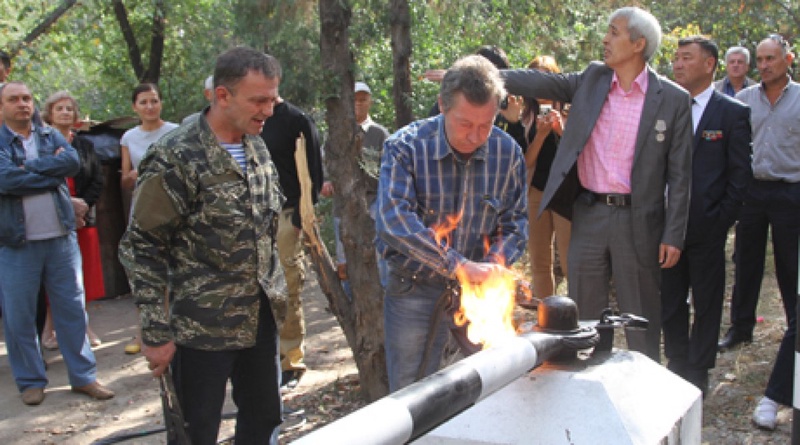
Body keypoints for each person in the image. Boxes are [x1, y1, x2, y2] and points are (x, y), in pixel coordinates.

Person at [501, 6, 692, 361]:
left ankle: (642, 383)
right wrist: (484, 74)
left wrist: (673, 233)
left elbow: (681, 175)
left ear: (638, 44)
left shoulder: (673, 101)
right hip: (587, 214)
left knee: (640, 313)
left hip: (638, 219)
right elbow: (539, 82)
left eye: (614, 32)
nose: (605, 39)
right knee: (585, 312)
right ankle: (590, 380)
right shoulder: (592, 79)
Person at [119, 47, 286, 444]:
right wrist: (156, 332)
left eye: (273, 98)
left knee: (263, 422)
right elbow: (142, 245)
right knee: (196, 432)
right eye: (258, 100)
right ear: (222, 96)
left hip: (259, 318)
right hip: (201, 328)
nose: (269, 109)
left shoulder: (255, 143)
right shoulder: (175, 156)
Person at [376, 55, 528, 392]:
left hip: (480, 293)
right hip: (414, 289)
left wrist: (490, 268)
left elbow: (516, 224)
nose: (475, 136)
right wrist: (459, 266)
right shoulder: (405, 147)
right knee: (411, 394)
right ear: (443, 106)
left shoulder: (508, 153)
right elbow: (394, 221)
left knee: (495, 385)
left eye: (486, 125)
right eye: (464, 124)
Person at [0, 81, 114, 406]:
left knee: (72, 309)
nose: (22, 104)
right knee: (20, 316)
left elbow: (72, 164)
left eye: (26, 98)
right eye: (13, 99)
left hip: (62, 238)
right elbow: (5, 179)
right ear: (1, 107)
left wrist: (28, 169)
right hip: (17, 243)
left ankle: (84, 377)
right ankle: (31, 381)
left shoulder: (49, 135)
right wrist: (46, 174)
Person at [662, 36, 752, 396]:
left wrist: (719, 221)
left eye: (687, 58)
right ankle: (677, 363)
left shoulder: (731, 112)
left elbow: (739, 175)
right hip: (667, 226)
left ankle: (698, 369)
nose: (678, 65)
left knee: (707, 299)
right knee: (670, 301)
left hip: (707, 227)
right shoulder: (664, 107)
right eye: (676, 58)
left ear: (709, 64)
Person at [721, 34, 799, 431]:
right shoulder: (745, 99)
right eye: (761, 59)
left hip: (789, 191)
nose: (764, 65)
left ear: (788, 59)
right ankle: (740, 327)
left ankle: (794, 330)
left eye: (772, 59)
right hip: (752, 190)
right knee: (745, 261)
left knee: (789, 267)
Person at [259, 94, 323, 391]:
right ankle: (262, 360)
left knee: (287, 288)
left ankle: (291, 362)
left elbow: (314, 172)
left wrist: (300, 218)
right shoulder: (248, 119)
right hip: (253, 217)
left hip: (287, 217)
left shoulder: (295, 120)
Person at [40, 91, 106, 350]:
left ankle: (84, 326)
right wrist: (66, 206)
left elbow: (97, 180)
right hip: (51, 217)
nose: (66, 112)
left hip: (83, 219)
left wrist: (82, 207)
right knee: (52, 274)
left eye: (70, 108)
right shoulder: (41, 144)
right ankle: (50, 326)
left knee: (83, 275)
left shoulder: (85, 146)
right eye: (60, 108)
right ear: (50, 114)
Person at [119, 83, 178, 354]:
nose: (149, 106)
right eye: (143, 102)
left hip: (172, 208)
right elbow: (125, 179)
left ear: (161, 103)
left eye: (154, 101)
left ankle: (175, 329)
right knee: (145, 272)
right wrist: (132, 177)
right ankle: (144, 332)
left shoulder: (176, 132)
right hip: (142, 210)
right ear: (135, 107)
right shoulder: (128, 138)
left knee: (174, 270)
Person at [325, 81, 391, 286]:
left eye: (363, 99)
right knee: (345, 260)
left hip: (374, 204)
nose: (359, 104)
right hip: (343, 207)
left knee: (379, 259)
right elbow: (323, 164)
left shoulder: (380, 134)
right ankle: (351, 307)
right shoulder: (335, 134)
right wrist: (325, 181)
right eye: (354, 99)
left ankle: (382, 309)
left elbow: (390, 170)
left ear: (370, 101)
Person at [519, 56, 571, 299]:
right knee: (540, 261)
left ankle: (575, 316)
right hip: (536, 192)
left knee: (571, 260)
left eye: (543, 78)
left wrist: (561, 130)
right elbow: (525, 163)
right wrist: (539, 136)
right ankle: (545, 313)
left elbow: (579, 155)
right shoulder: (524, 115)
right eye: (533, 80)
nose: (539, 87)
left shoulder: (571, 108)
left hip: (564, 192)